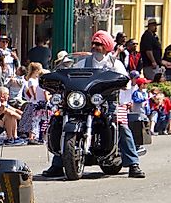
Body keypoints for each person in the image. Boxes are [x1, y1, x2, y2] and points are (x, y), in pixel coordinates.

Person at [42, 30, 145, 179]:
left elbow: (126, 82)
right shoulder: (84, 62)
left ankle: (133, 164)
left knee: (120, 125)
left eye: (99, 44)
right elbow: (71, 77)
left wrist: (121, 83)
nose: (95, 47)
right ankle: (57, 164)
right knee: (60, 120)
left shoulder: (115, 64)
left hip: (108, 102)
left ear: (107, 46)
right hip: (84, 101)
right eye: (94, 44)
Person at [17, 62, 47, 145]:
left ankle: (35, 136)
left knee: (36, 120)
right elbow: (32, 90)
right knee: (32, 120)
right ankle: (31, 137)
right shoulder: (31, 80)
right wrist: (35, 97)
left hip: (36, 101)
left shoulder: (37, 79)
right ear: (36, 70)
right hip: (34, 102)